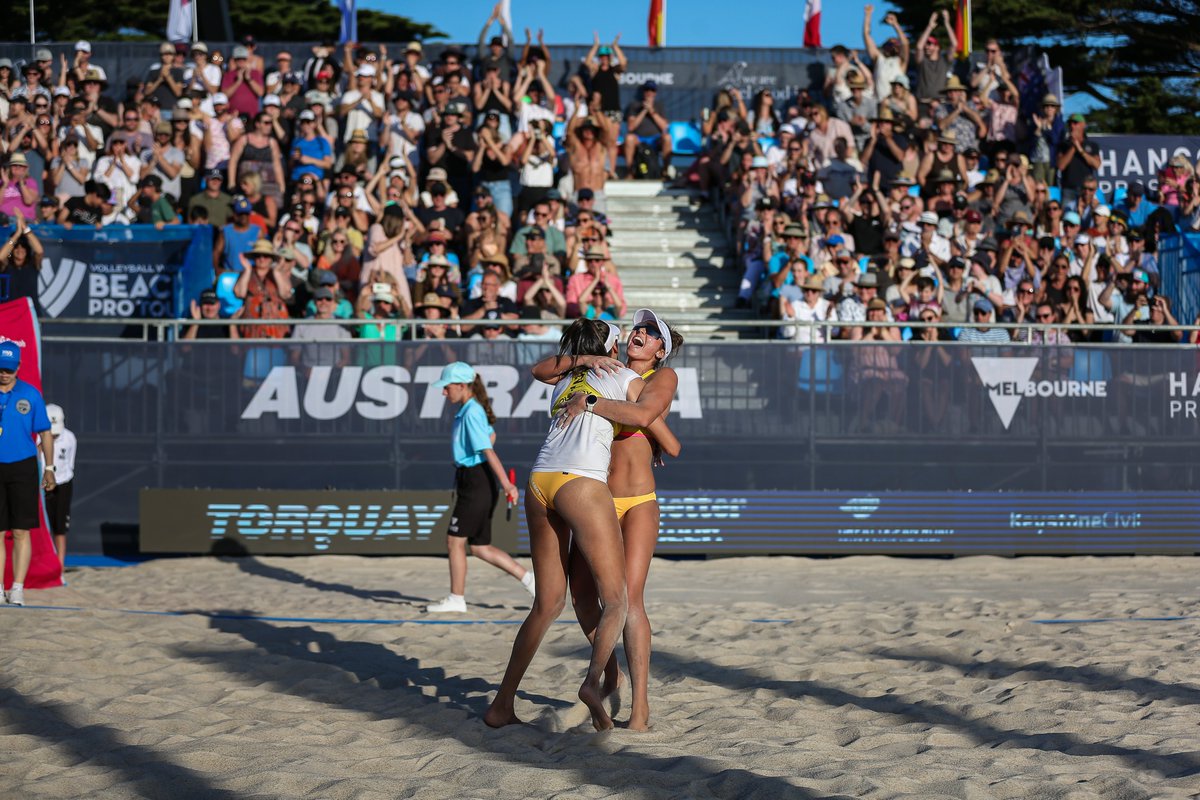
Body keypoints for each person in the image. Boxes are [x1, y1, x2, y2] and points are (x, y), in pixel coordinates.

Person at [531, 308, 683, 731]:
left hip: (636, 501)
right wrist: (586, 364)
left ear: (659, 350)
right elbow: (665, 438)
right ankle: (608, 674)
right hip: (595, 499)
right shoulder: (603, 371)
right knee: (581, 597)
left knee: (630, 599)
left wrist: (594, 404)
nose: (641, 331)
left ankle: (640, 709)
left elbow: (648, 423)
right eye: (640, 326)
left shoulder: (660, 379)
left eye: (652, 332)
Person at [485, 319, 639, 731]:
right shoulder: (622, 376)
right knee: (617, 601)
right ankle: (595, 682)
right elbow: (649, 411)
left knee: (547, 603)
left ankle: (502, 704)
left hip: (540, 480)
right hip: (581, 482)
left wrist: (584, 360)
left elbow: (538, 370)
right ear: (612, 347)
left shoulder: (563, 379)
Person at [426, 362, 531, 613]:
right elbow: (490, 436)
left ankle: (456, 599)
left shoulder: (471, 411)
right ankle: (530, 580)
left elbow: (488, 449)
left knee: (454, 541)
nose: (443, 392)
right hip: (475, 479)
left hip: (476, 481)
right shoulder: (471, 409)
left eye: (447, 387)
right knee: (480, 547)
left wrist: (508, 485)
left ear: (462, 386)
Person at [0, 344, 55, 607]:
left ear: (18, 368)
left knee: (21, 531)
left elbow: (44, 432)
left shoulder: (30, 395)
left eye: (9, 369)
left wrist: (49, 468)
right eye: (0, 368)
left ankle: (17, 588)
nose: (4, 374)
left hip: (22, 466)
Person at [43, 404, 75, 568]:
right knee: (43, 524)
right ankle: (46, 561)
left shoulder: (69, 438)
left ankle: (60, 564)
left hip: (63, 483)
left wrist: (61, 478)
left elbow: (70, 464)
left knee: (60, 526)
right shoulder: (37, 438)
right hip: (42, 484)